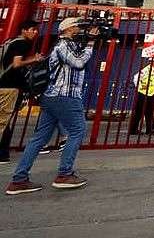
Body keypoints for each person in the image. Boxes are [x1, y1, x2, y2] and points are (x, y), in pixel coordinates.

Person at [6, 17, 96, 195]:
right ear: (67, 29)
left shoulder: (71, 45)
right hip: (64, 96)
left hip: (53, 97)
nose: (80, 29)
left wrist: (88, 40)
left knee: (40, 137)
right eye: (77, 26)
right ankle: (64, 174)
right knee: (77, 130)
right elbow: (78, 63)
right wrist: (91, 44)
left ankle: (19, 179)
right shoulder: (62, 45)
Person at [0, 20, 45, 164]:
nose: (35, 32)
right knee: (4, 120)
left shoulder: (10, 41)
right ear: (24, 30)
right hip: (10, 86)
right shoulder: (23, 43)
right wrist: (34, 60)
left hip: (2, 83)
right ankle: (2, 154)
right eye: (33, 29)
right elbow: (17, 63)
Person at [129, 59, 154, 135]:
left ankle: (149, 130)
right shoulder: (146, 70)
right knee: (139, 113)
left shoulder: (153, 70)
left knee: (149, 113)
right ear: (152, 62)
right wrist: (140, 87)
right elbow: (136, 78)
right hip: (143, 95)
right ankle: (134, 130)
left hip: (150, 94)